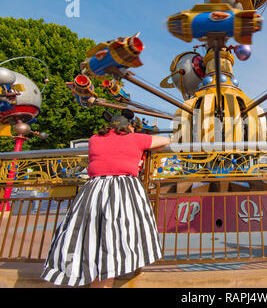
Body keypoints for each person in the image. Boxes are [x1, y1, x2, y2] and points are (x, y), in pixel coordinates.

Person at [41, 111, 170, 287]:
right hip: (124, 189)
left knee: (91, 233)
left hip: (93, 189)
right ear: (129, 126)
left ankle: (83, 270)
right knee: (126, 230)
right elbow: (165, 140)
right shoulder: (135, 138)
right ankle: (121, 268)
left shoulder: (94, 139)